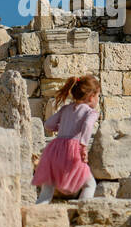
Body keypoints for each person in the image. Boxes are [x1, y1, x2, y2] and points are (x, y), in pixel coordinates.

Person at [32, 74, 100, 204]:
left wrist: (64, 128)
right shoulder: (90, 112)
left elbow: (48, 125)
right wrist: (83, 145)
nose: (97, 99)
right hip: (72, 150)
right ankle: (83, 210)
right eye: (98, 96)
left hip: (54, 150)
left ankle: (35, 212)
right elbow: (87, 125)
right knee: (89, 184)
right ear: (91, 97)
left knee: (47, 189)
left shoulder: (65, 109)